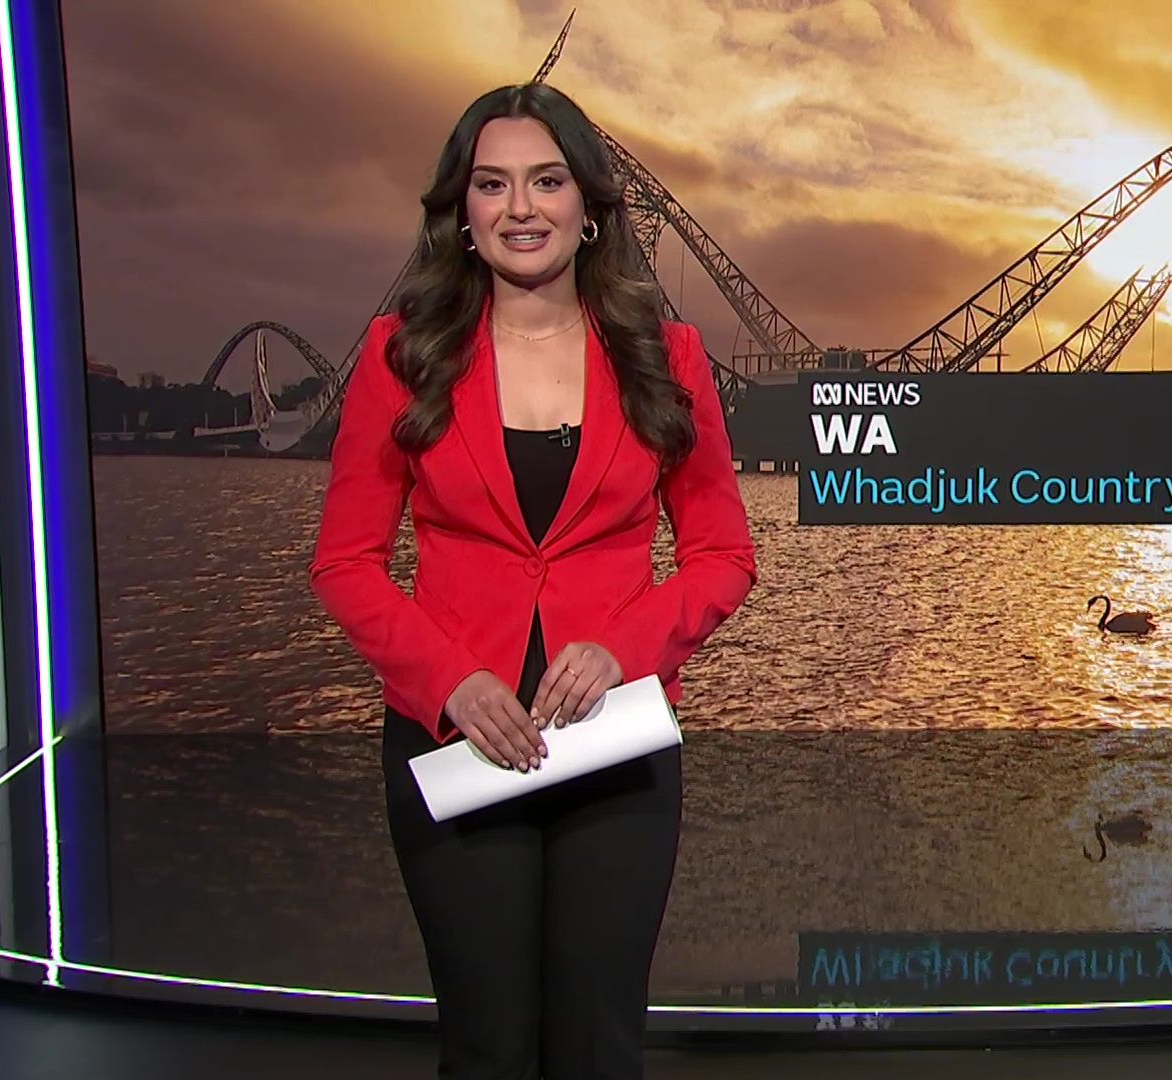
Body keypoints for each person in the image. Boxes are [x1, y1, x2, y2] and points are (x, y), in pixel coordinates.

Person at [309, 81, 756, 1080]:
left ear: (588, 206)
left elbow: (725, 556)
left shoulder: (669, 359)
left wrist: (621, 651)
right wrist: (451, 683)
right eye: (493, 184)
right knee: (489, 1047)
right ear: (461, 213)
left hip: (616, 739)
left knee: (598, 1047)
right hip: (457, 739)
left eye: (547, 181)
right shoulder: (402, 355)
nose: (521, 207)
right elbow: (344, 563)